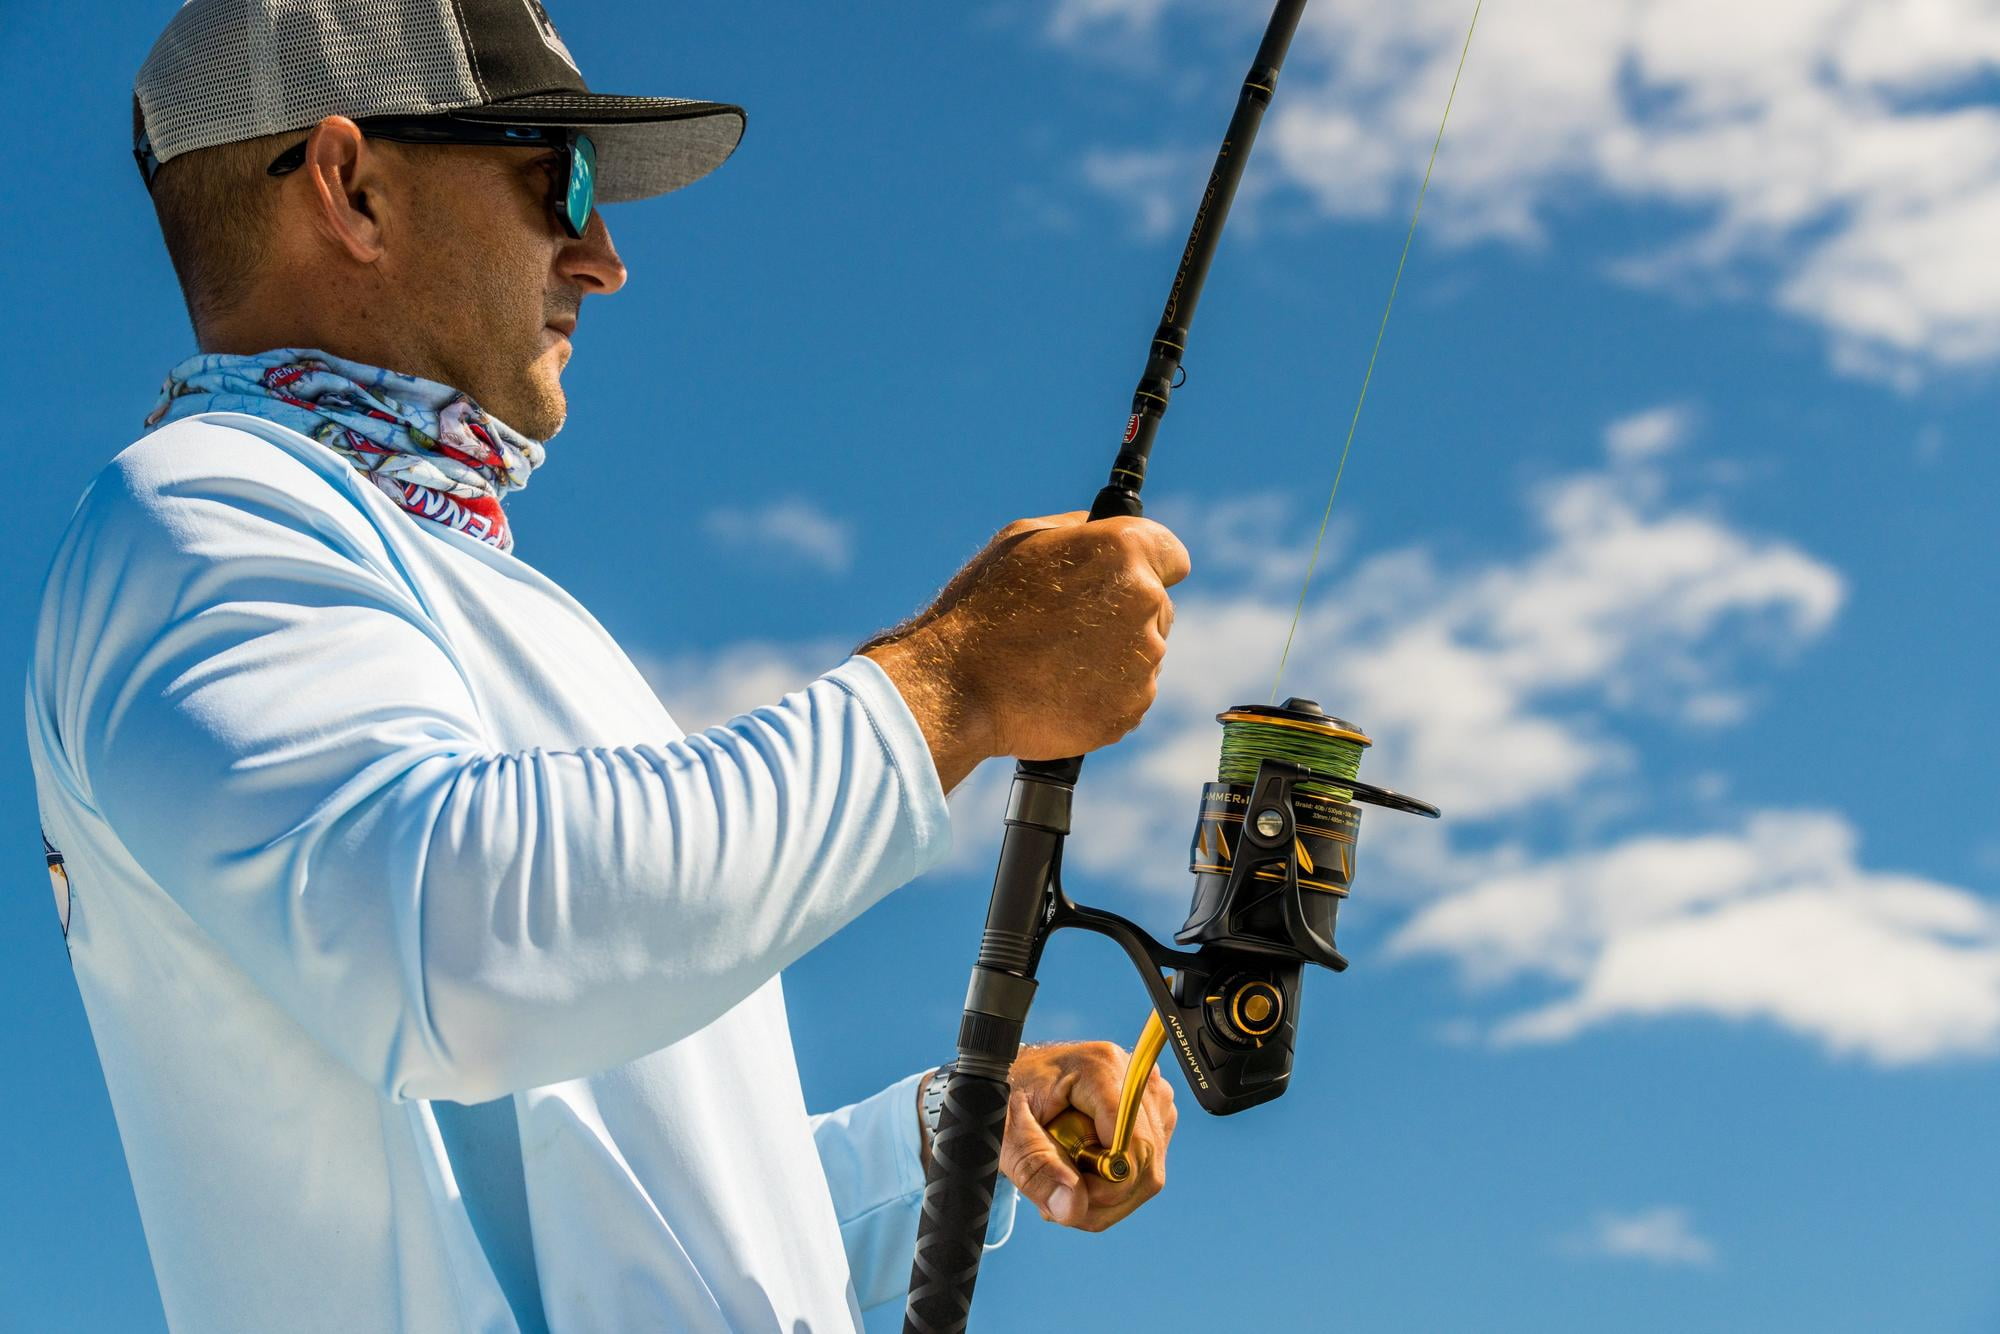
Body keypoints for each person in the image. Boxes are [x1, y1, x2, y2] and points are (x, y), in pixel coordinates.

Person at [23, 1, 1189, 1330]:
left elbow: (632, 1211)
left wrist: (955, 1127)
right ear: (351, 188)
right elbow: (456, 946)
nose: (604, 259)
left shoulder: (440, 583)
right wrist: (954, 684)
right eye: (560, 183)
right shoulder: (195, 514)